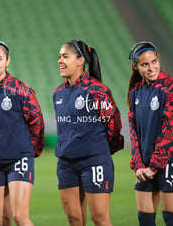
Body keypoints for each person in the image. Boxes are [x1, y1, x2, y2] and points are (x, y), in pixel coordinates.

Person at [0, 41, 45, 226]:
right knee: (1, 220)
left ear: (7, 61)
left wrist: (29, 151)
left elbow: (36, 122)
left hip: (18, 159)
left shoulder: (21, 90)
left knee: (20, 217)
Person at [53, 40, 124, 226]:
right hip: (66, 164)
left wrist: (100, 150)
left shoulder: (97, 91)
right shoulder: (58, 94)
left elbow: (114, 125)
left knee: (99, 219)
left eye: (65, 56)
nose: (60, 60)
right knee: (75, 220)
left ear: (80, 61)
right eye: (59, 56)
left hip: (94, 161)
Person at [127, 41, 173, 226]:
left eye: (154, 62)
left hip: (170, 161)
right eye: (145, 64)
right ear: (135, 67)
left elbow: (171, 131)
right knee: (144, 219)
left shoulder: (172, 88)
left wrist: (154, 166)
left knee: (171, 217)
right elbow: (134, 132)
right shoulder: (135, 92)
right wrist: (138, 164)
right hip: (145, 165)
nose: (151, 67)